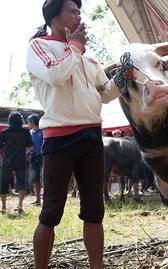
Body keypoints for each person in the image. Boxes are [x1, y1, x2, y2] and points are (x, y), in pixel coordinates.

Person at [26, 1, 132, 267]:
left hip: (91, 137)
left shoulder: (87, 58)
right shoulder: (38, 47)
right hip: (59, 138)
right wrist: (74, 47)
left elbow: (104, 93)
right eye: (72, 11)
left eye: (79, 12)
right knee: (51, 212)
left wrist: (121, 79)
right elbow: (56, 75)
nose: (78, 16)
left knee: (95, 212)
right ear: (54, 18)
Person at [0, 112, 34, 214]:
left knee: (4, 182)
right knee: (21, 182)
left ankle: (4, 207)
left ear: (9, 120)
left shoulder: (4, 132)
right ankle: (20, 205)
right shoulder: (25, 132)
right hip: (21, 159)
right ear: (21, 120)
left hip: (8, 159)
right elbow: (31, 146)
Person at [27, 114, 44, 206]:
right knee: (35, 178)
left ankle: (45, 198)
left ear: (33, 122)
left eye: (29, 122)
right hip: (32, 157)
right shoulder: (30, 132)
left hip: (42, 157)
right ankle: (38, 199)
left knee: (44, 177)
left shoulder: (43, 131)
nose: (28, 123)